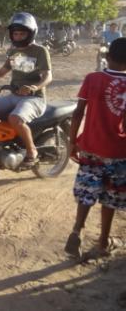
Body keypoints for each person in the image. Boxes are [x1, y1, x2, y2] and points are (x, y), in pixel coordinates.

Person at [64, 37, 126, 259]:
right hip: (119, 152)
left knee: (86, 192)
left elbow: (78, 113)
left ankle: (77, 231)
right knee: (110, 197)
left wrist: (72, 142)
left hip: (90, 148)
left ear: (107, 58)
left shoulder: (93, 79)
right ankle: (103, 242)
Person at [0, 12, 52, 168]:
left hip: (34, 98)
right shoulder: (13, 52)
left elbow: (48, 76)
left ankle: (31, 151)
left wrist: (34, 87)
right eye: (16, 33)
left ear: (31, 33)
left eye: (22, 33)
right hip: (14, 95)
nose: (18, 36)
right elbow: (0, 73)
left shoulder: (40, 51)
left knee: (15, 118)